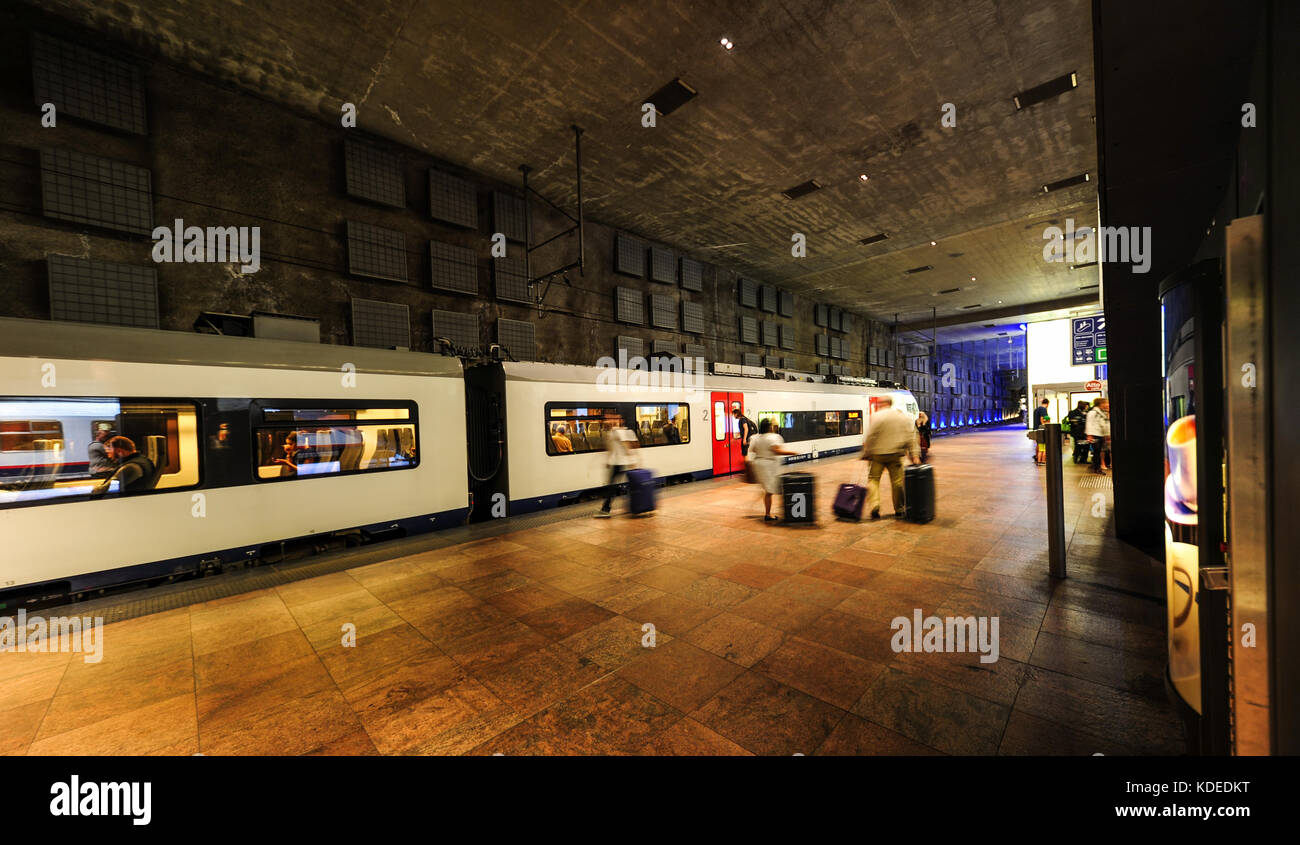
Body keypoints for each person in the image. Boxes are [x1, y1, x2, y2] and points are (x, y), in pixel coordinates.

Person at [861, 396, 920, 519]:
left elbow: (871, 436)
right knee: (897, 482)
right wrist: (914, 455)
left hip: (877, 455)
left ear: (883, 404)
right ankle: (899, 509)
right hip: (895, 455)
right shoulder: (902, 417)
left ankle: (875, 506)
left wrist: (866, 452)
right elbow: (911, 436)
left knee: (873, 480)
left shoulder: (876, 416)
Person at [748, 418, 797, 522]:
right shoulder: (773, 437)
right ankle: (768, 514)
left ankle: (769, 510)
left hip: (758, 464)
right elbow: (776, 450)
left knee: (769, 490)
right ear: (769, 427)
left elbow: (752, 450)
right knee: (770, 491)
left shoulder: (756, 438)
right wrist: (792, 453)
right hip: (768, 466)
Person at [596, 413, 640, 517]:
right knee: (617, 486)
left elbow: (626, 445)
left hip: (621, 463)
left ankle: (605, 509)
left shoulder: (619, 431)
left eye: (610, 419)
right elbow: (611, 448)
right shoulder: (611, 432)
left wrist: (632, 460)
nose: (607, 421)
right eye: (606, 419)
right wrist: (608, 460)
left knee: (612, 487)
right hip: (616, 462)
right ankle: (634, 505)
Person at [90, 436, 155, 496]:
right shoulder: (145, 461)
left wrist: (83, 491)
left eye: (109, 453)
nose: (109, 456)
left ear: (119, 451)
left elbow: (105, 490)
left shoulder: (130, 467)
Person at [1086, 397, 1111, 474]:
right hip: (1095, 435)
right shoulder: (1093, 412)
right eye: (1105, 403)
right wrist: (1089, 435)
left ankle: (1097, 467)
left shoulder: (1101, 412)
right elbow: (1089, 423)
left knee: (1098, 451)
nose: (1107, 404)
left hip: (1100, 434)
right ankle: (1097, 468)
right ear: (1101, 404)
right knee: (1096, 452)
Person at [1031, 398, 1050, 463]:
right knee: (1042, 446)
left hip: (1036, 428)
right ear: (1047, 404)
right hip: (1041, 429)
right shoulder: (1043, 409)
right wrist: (1047, 422)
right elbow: (1044, 418)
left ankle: (1037, 456)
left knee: (1038, 444)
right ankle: (1042, 460)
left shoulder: (1036, 409)